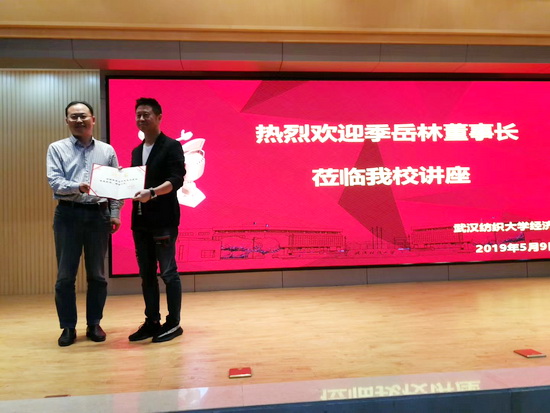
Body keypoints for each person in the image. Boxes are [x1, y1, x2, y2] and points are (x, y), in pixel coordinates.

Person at [47, 101, 122, 347]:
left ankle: (94, 323)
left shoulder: (107, 150)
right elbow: (54, 181)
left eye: (83, 116)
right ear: (66, 121)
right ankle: (68, 327)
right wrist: (77, 187)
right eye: (74, 117)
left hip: (98, 216)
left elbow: (115, 186)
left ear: (93, 119)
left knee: (97, 275)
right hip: (67, 215)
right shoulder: (56, 148)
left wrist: (114, 213)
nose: (79, 121)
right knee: (65, 276)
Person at [128, 97, 186, 343]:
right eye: (138, 115)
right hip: (140, 222)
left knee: (169, 273)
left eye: (146, 114)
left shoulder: (171, 146)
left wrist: (152, 193)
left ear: (159, 117)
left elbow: (177, 179)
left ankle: (173, 323)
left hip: (163, 221)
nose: (141, 118)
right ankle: (152, 321)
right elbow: (133, 183)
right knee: (146, 274)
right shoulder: (136, 150)